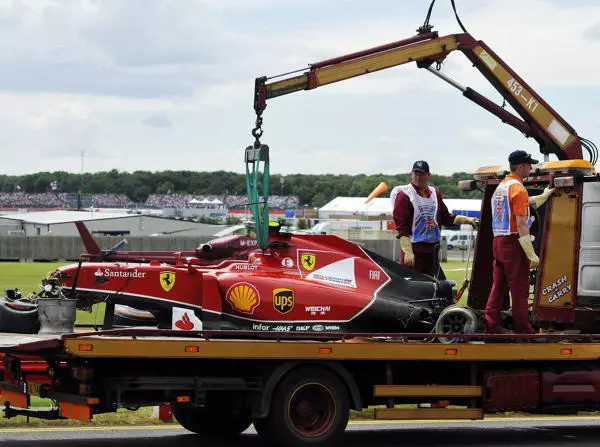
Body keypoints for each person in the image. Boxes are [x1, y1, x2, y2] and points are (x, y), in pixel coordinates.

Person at [485, 150, 554, 334]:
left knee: (498, 286)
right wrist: (531, 254)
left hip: (498, 241)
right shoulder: (518, 188)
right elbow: (522, 224)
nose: (531, 168)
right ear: (522, 166)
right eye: (529, 164)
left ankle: (491, 327)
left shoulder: (503, 186)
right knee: (519, 288)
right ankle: (523, 330)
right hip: (513, 242)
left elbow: (523, 203)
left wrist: (543, 196)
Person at [391, 160, 478, 279]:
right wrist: (408, 252)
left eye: (421, 174)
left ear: (428, 175)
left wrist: (468, 220)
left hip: (432, 251)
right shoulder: (404, 196)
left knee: (441, 287)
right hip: (414, 250)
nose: (417, 177)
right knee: (414, 290)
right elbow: (402, 227)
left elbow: (446, 217)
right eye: (415, 173)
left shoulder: (435, 194)